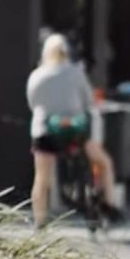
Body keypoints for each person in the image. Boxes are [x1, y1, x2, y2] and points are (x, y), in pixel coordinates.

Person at [26, 34, 122, 227]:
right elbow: (89, 101)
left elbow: (32, 103)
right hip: (74, 132)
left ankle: (40, 220)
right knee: (104, 162)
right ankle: (109, 205)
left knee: (41, 177)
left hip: (45, 131)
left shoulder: (36, 75)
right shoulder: (76, 73)